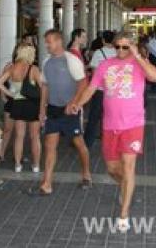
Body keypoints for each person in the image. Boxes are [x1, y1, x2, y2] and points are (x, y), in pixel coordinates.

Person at [68, 31, 156, 231]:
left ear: (133, 46)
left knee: (128, 168)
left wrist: (138, 56)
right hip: (110, 125)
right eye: (117, 46)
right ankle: (126, 186)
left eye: (125, 47)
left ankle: (124, 214)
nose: (120, 50)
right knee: (112, 169)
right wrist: (78, 104)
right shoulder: (105, 66)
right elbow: (91, 89)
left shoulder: (139, 64)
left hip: (133, 125)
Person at [29, 29, 92, 196]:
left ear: (58, 41)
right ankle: (47, 184)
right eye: (46, 42)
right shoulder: (46, 62)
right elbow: (45, 86)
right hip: (53, 109)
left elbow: (83, 83)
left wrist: (73, 102)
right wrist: (42, 109)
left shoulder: (71, 60)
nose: (47, 45)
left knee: (79, 144)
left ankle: (86, 174)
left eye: (49, 42)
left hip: (70, 110)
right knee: (50, 146)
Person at [0, 43, 42, 173]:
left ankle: (17, 165)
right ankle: (36, 165)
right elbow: (43, 87)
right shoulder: (33, 69)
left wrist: (12, 94)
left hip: (18, 104)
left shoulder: (12, 68)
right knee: (35, 136)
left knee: (19, 136)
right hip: (33, 105)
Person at [84, 31, 116, 148]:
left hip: (100, 89)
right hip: (113, 91)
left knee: (94, 116)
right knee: (111, 116)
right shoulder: (117, 52)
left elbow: (94, 72)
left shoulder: (98, 53)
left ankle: (88, 142)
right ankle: (111, 141)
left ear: (103, 40)